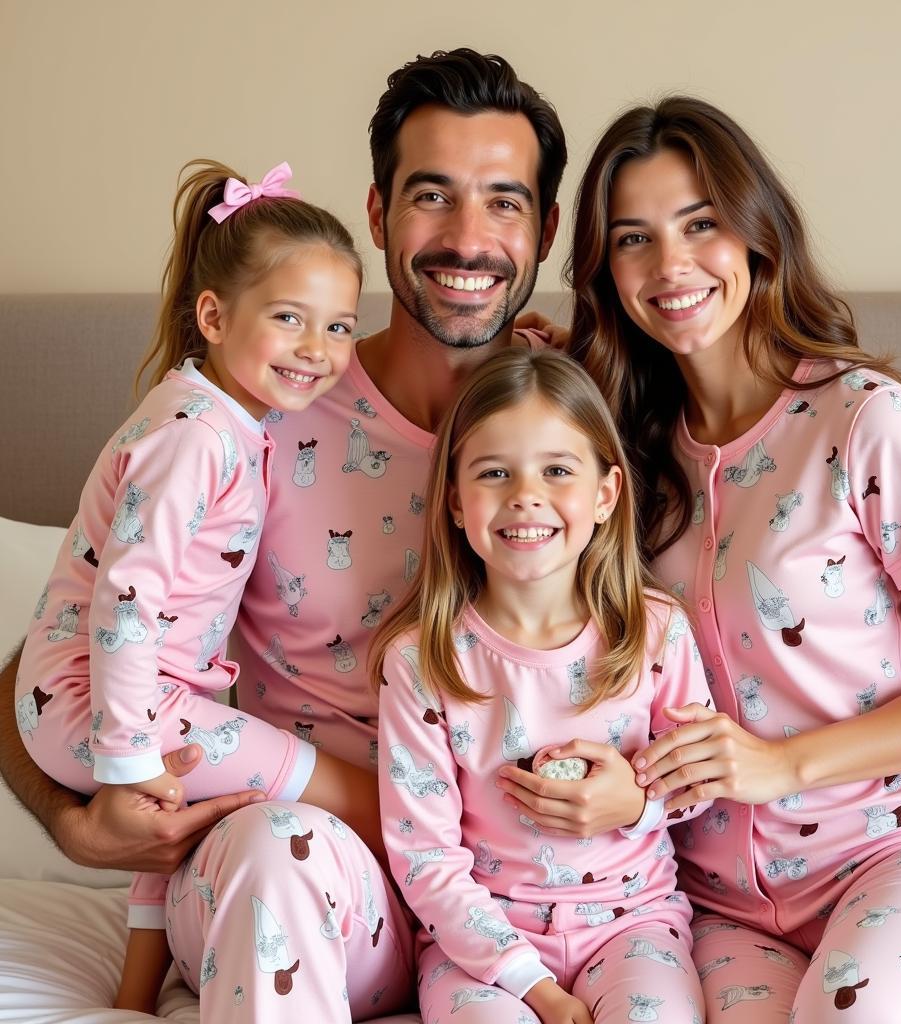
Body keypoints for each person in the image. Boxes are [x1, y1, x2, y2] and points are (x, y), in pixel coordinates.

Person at [2, 50, 645, 1022]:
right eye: (433, 196)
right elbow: (62, 652)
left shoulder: (574, 429)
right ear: (379, 213)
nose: (467, 239)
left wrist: (630, 789)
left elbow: (682, 665)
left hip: (525, 897)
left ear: (545, 229)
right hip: (317, 872)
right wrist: (76, 822)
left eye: (504, 203)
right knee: (279, 848)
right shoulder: (255, 406)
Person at [566, 96, 901, 1021]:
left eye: (701, 224)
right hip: (719, 907)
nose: (671, 265)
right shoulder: (621, 458)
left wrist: (786, 766)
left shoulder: (864, 420)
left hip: (899, 857)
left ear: (758, 237)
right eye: (632, 239)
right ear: (605, 270)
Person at [14, 158, 365, 1013]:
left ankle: (131, 999)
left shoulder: (232, 423)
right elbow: (126, 598)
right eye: (289, 319)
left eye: (341, 327)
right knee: (360, 798)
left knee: (191, 814)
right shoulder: (194, 435)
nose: (318, 351)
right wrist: (128, 758)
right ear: (213, 316)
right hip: (98, 702)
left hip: (126, 704)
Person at [371, 346, 712, 1024]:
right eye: (494, 473)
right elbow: (424, 858)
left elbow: (697, 783)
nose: (525, 496)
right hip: (483, 947)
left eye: (557, 470)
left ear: (606, 495)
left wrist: (636, 804)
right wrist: (539, 992)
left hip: (634, 925)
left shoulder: (655, 631)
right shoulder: (421, 661)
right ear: (456, 503)